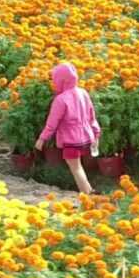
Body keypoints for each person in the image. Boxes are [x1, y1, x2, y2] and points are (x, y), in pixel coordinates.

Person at [35, 63, 101, 195]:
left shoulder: (60, 99)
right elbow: (91, 116)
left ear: (60, 80)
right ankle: (90, 190)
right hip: (85, 137)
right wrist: (96, 133)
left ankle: (87, 194)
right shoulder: (83, 92)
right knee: (78, 166)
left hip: (71, 140)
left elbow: (52, 123)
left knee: (76, 168)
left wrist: (42, 139)